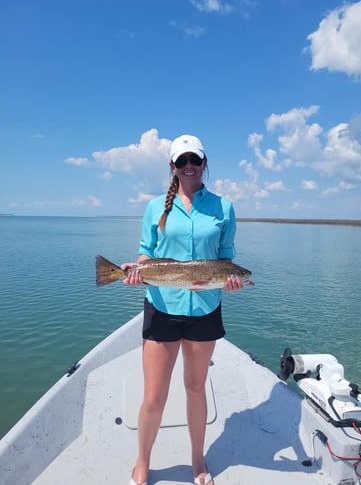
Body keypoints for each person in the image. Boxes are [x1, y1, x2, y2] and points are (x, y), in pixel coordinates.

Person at [123, 134, 243, 485]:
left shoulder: (224, 208)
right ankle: (143, 462)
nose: (189, 166)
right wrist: (137, 270)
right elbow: (147, 251)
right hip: (162, 306)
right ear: (172, 167)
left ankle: (197, 459)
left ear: (205, 163)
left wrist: (230, 279)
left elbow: (225, 257)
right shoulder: (154, 206)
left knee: (195, 387)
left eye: (195, 160)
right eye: (182, 161)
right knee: (154, 395)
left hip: (205, 308)